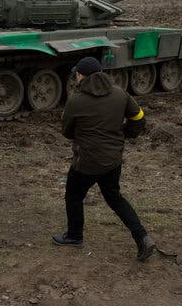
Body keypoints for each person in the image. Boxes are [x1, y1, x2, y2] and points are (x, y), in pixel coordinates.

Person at [52, 56, 156, 261]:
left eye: (77, 74)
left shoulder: (75, 100)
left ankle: (74, 236)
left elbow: (66, 130)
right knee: (114, 197)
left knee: (73, 196)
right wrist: (125, 134)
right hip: (112, 160)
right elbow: (139, 117)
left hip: (87, 162)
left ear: (81, 76)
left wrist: (83, 138)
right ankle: (142, 237)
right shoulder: (120, 93)